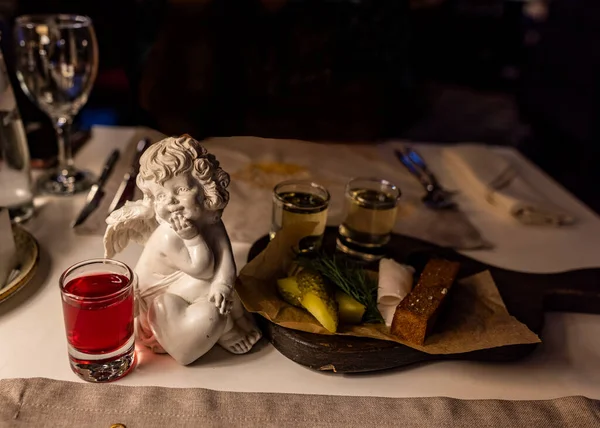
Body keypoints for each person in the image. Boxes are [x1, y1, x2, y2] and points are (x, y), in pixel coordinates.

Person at [104, 135, 261, 365]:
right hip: (157, 311)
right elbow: (204, 268)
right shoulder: (170, 234)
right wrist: (192, 238)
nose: (171, 202)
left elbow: (225, 257)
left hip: (183, 290)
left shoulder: (209, 219)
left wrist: (224, 284)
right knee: (209, 285)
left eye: (180, 189)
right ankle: (225, 331)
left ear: (205, 187)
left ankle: (237, 319)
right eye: (160, 195)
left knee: (224, 281)